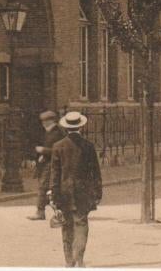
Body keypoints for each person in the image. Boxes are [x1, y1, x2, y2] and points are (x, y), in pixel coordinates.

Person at [50, 111, 102, 268]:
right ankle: (78, 258)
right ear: (81, 127)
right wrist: (98, 193)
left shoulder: (57, 147)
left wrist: (53, 195)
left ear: (66, 128)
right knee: (81, 224)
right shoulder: (88, 146)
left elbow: (55, 174)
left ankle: (68, 261)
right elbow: (96, 173)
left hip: (64, 193)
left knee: (66, 226)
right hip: (83, 192)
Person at [28, 110, 66, 221]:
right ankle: (48, 211)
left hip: (51, 165)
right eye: (43, 121)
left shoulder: (57, 133)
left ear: (51, 121)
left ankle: (41, 212)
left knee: (44, 187)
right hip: (47, 163)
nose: (43, 123)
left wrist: (43, 150)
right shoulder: (49, 132)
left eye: (45, 121)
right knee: (47, 188)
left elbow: (59, 150)